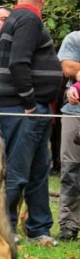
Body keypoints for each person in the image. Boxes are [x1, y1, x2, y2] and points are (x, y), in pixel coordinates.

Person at [0, 0, 64, 246]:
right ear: (43, 0)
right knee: (18, 169)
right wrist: (29, 102)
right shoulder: (29, 20)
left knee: (39, 170)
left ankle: (39, 228)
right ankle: (6, 227)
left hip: (33, 107)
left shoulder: (16, 18)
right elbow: (18, 63)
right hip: (25, 107)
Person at [56, 31, 80, 240]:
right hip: (74, 113)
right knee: (71, 168)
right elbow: (68, 68)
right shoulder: (74, 38)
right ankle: (69, 224)